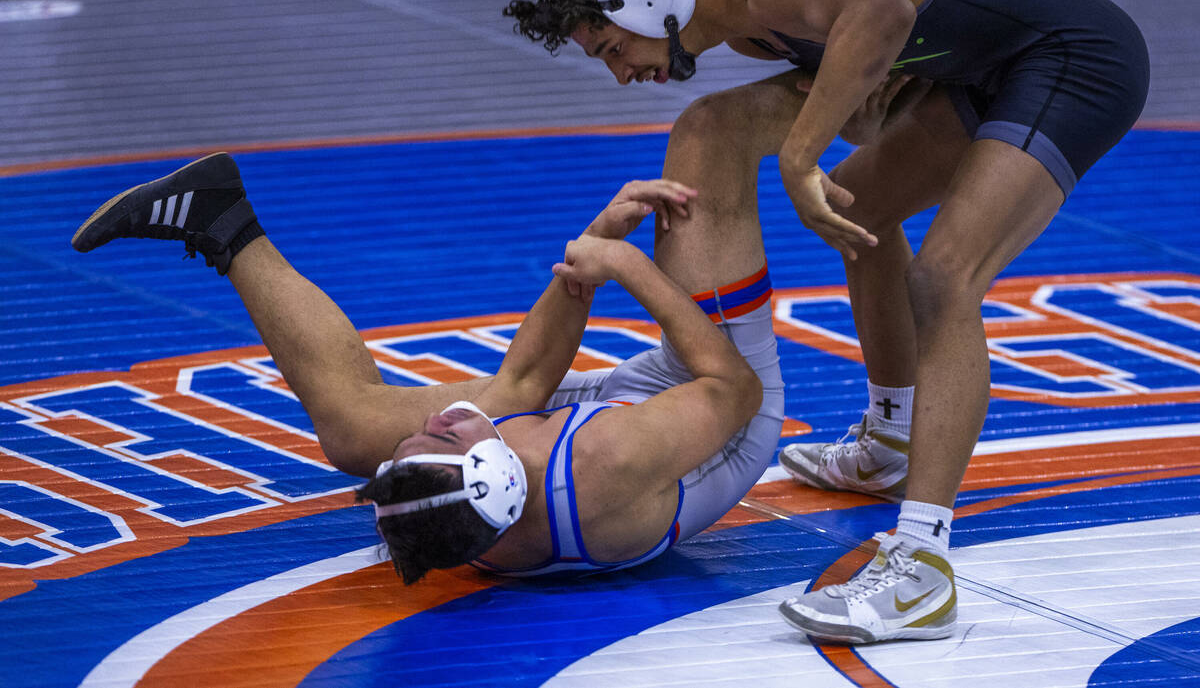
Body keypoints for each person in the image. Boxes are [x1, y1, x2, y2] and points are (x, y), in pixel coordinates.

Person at [505, 0, 1149, 643]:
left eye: (614, 50)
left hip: (1075, 59)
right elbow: (882, 35)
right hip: (990, 66)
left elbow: (881, 10)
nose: (622, 74)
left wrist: (800, 153)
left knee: (943, 277)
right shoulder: (753, 35)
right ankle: (892, 438)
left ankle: (922, 565)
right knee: (857, 206)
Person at [70, 150, 785, 582]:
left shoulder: (468, 511)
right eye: (444, 436)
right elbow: (736, 388)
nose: (434, 422)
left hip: (596, 437)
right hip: (720, 417)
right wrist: (624, 262)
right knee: (705, 136)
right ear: (497, 472)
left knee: (352, 434)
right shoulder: (607, 457)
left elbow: (523, 382)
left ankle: (220, 220)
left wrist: (590, 247)